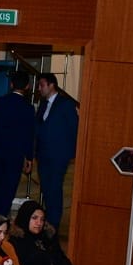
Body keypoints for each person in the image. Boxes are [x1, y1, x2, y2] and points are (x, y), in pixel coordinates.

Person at [0, 75, 36, 217]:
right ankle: (0, 218)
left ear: (11, 84)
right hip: (15, 154)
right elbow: (29, 135)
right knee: (9, 189)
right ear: (27, 87)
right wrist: (29, 157)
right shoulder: (28, 108)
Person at [33, 71, 80, 228]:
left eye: (42, 85)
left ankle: (54, 222)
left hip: (59, 155)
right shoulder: (43, 104)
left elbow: (74, 128)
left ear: (51, 85)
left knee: (54, 187)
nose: (39, 88)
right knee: (46, 188)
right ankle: (48, 220)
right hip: (43, 154)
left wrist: (71, 152)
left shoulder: (65, 104)